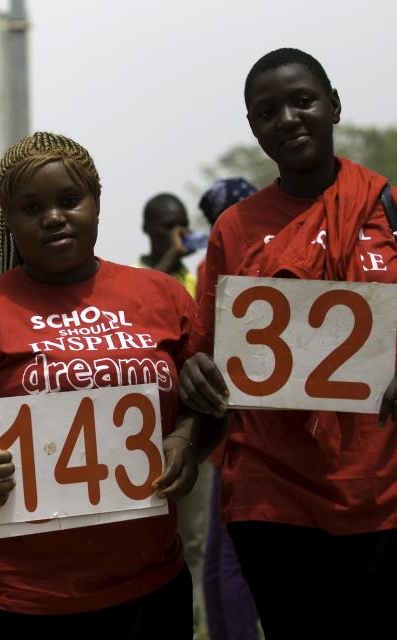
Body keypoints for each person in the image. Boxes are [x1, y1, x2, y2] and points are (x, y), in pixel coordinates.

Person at [0, 131, 223, 639]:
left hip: (148, 582)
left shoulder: (163, 296)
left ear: (97, 202)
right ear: (9, 220)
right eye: (31, 207)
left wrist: (184, 443)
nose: (53, 217)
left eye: (69, 200)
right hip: (19, 593)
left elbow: (206, 399)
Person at [179, 48, 397, 640]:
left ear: (333, 105)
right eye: (268, 111)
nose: (289, 119)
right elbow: (206, 351)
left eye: (303, 101)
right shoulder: (235, 228)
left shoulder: (387, 208)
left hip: (377, 488)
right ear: (254, 128)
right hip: (270, 495)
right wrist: (195, 374)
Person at [138, 192, 210, 626]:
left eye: (183, 223)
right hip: (142, 433)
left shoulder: (198, 276)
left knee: (196, 535)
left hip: (190, 427)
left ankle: (195, 615)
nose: (179, 232)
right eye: (168, 225)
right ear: (148, 229)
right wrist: (167, 257)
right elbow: (137, 316)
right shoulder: (140, 277)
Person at [194, 178, 260, 640]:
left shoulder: (211, 262)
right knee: (227, 563)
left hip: (235, 431)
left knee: (224, 563)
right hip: (245, 432)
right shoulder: (249, 257)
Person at [139, 193, 197, 297]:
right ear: (146, 228)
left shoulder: (192, 281)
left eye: (184, 225)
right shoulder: (131, 274)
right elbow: (140, 299)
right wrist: (171, 256)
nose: (179, 233)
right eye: (169, 226)